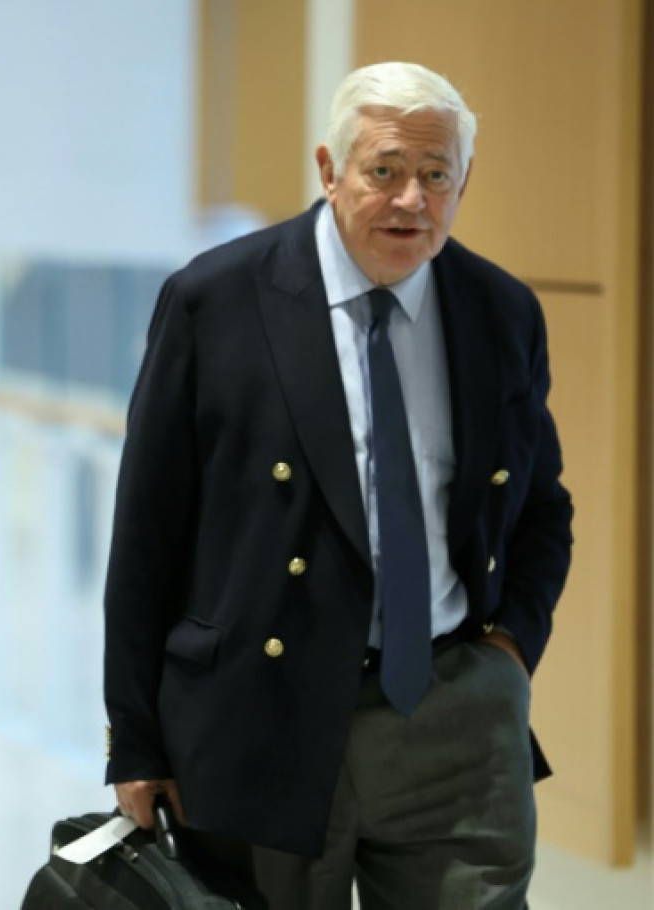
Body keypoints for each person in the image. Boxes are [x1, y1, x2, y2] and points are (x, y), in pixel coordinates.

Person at [103, 62, 572, 909]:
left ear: (464, 180)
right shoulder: (216, 301)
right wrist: (135, 739)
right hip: (261, 716)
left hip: (451, 716)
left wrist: (508, 652)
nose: (411, 201)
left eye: (436, 176)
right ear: (329, 168)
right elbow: (147, 534)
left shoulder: (499, 311)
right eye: (385, 171)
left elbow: (543, 503)